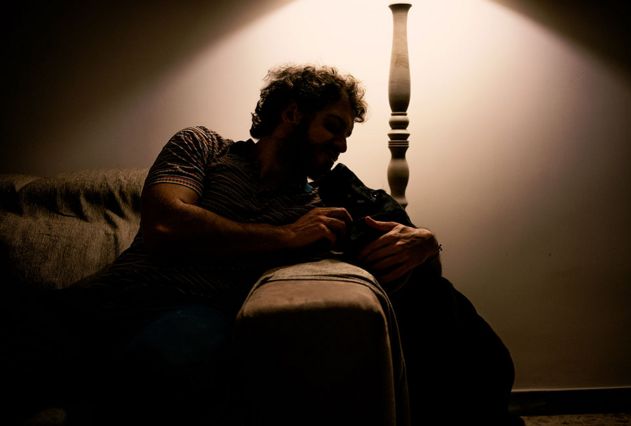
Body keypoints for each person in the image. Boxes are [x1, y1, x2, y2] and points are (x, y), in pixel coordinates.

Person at [6, 64, 520, 425]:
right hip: (106, 296)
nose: (342, 144)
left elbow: (398, 232)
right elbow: (165, 223)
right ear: (293, 113)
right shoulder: (200, 145)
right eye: (334, 127)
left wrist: (427, 241)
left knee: (159, 368)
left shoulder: (326, 193)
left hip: (200, 313)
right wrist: (283, 236)